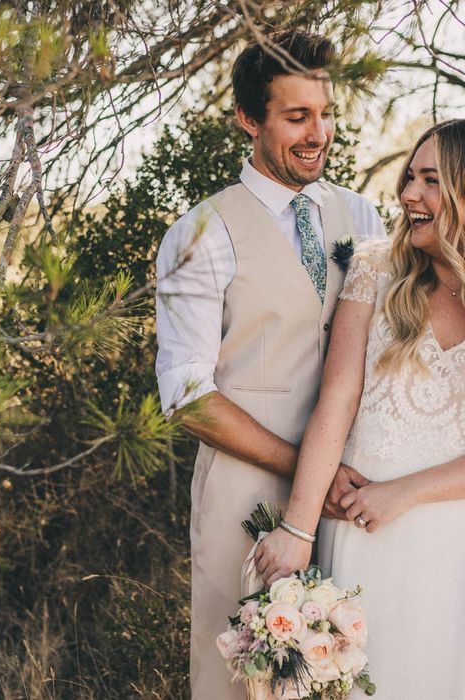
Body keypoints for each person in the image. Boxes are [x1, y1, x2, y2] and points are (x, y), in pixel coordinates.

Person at [154, 30, 386, 699]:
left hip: (357, 496)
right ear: (248, 119)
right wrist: (311, 473)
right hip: (245, 499)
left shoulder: (363, 216)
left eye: (325, 113)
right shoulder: (201, 234)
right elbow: (188, 396)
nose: (319, 133)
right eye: (296, 117)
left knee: (356, 670)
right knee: (241, 681)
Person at [255, 119, 465, 697]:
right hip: (360, 534)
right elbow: (336, 400)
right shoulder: (376, 269)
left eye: (430, 181)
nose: (408, 196)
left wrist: (407, 491)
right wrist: (297, 529)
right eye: (409, 178)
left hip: (452, 547)